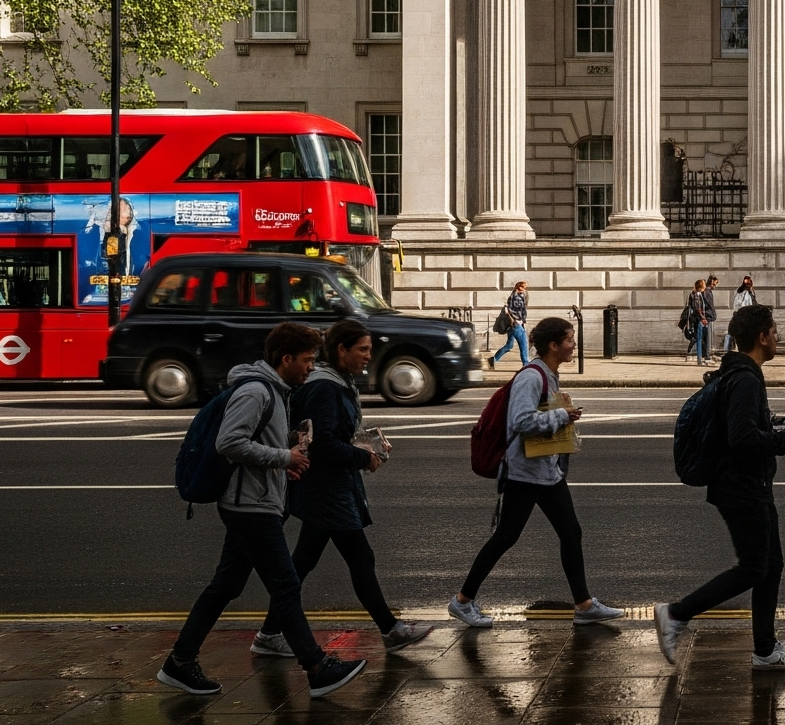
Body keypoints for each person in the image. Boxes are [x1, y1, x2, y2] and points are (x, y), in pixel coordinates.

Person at [158, 323, 364, 698]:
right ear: (285, 359)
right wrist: (282, 456)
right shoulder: (256, 391)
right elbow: (229, 442)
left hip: (256, 501)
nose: (310, 366)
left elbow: (252, 443)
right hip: (248, 505)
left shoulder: (277, 391)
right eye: (306, 360)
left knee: (226, 586)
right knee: (285, 585)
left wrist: (284, 456)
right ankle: (317, 667)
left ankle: (180, 661)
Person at [253, 319, 434, 659]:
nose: (369, 356)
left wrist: (362, 445)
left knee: (304, 561)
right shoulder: (326, 387)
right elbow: (322, 445)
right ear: (342, 350)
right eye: (363, 349)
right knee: (357, 557)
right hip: (326, 488)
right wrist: (363, 457)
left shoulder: (336, 382)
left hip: (327, 486)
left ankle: (270, 632)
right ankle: (390, 630)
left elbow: (327, 435)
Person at [655, 303, 785, 672]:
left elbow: (741, 422)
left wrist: (778, 422)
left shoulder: (740, 372)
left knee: (771, 566)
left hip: (746, 483)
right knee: (754, 567)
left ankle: (765, 650)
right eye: (774, 332)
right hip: (741, 485)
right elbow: (743, 440)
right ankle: (676, 614)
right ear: (761, 337)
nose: (777, 338)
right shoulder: (745, 378)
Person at [449, 315, 625, 629]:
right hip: (525, 471)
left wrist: (563, 417)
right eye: (570, 339)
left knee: (571, 532)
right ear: (553, 345)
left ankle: (584, 605)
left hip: (545, 470)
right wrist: (560, 416)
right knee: (506, 536)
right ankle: (462, 601)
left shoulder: (548, 373)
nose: (574, 345)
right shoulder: (532, 376)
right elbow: (520, 420)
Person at [491, 279, 531, 367]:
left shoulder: (516, 296)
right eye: (523, 287)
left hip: (513, 324)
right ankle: (526, 364)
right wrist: (518, 320)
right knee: (524, 343)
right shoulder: (516, 297)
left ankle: (493, 359)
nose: (524, 289)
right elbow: (516, 310)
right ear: (518, 287)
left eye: (525, 287)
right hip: (515, 324)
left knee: (509, 345)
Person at [679, 281, 705, 364]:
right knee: (697, 338)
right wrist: (702, 317)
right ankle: (696, 357)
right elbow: (697, 308)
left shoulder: (694, 294)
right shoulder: (696, 295)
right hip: (695, 319)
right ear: (701, 286)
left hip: (694, 319)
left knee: (696, 338)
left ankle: (696, 356)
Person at [698, 277, 720, 366]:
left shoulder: (705, 291)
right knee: (705, 338)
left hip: (706, 317)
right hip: (706, 317)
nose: (716, 285)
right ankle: (705, 357)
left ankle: (705, 356)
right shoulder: (707, 291)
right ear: (712, 282)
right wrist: (713, 315)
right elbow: (709, 305)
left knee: (704, 338)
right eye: (715, 283)